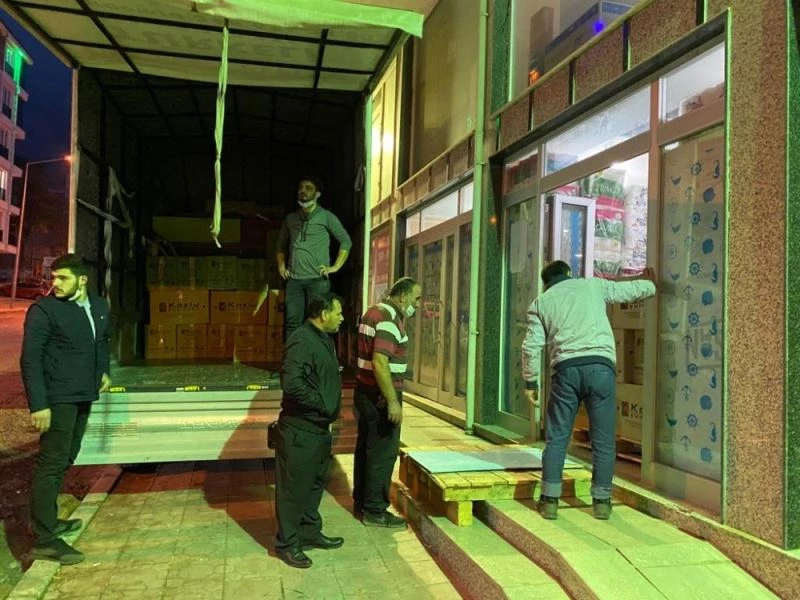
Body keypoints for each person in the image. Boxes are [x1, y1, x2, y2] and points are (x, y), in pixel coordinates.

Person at [521, 260, 656, 521]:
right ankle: (602, 502)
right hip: (601, 369)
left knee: (558, 438)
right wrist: (650, 285)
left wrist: (531, 382)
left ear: (546, 282)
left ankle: (549, 501)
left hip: (566, 372)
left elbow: (531, 346)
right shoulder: (592, 286)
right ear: (568, 273)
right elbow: (626, 292)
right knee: (603, 440)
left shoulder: (541, 303)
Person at [20, 254, 112, 564]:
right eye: (53, 277)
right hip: (57, 397)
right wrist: (39, 405)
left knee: (68, 456)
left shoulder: (98, 306)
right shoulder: (44, 310)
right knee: (51, 463)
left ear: (82, 280)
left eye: (63, 278)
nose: (54, 283)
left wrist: (103, 371)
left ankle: (47, 520)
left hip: (83, 393)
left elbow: (102, 341)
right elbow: (30, 359)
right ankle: (44, 539)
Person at [274, 292, 346, 569]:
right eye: (338, 313)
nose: (342, 318)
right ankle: (288, 544)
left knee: (313, 485)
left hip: (318, 430)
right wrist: (323, 405)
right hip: (300, 430)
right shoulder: (302, 340)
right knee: (294, 490)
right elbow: (293, 384)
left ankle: (309, 532)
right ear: (324, 314)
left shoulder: (323, 338)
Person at [353, 277, 422, 528]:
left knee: (367, 450)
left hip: (365, 393)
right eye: (416, 298)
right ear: (403, 297)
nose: (417, 304)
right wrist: (392, 401)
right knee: (383, 453)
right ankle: (375, 511)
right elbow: (380, 361)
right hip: (381, 395)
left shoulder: (373, 311)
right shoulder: (388, 319)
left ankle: (362, 502)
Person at [276, 176, 352, 339]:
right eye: (301, 187)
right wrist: (281, 266)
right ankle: (294, 355)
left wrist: (335, 267)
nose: (303, 191)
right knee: (292, 323)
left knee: (317, 322)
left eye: (308, 188)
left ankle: (314, 354)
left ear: (317, 194)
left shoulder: (326, 217)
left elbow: (346, 241)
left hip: (317, 281)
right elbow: (280, 246)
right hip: (294, 281)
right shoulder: (291, 219)